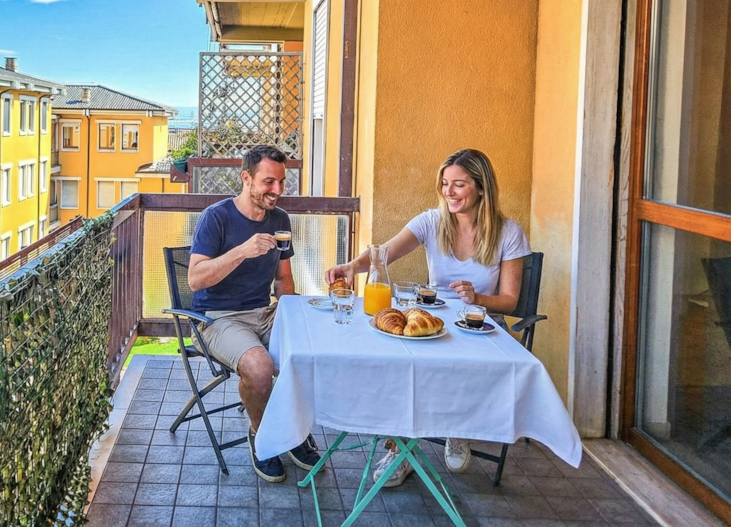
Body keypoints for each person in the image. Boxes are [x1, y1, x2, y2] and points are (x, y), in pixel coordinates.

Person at [325, 148, 530, 486]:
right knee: (399, 362)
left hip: (478, 325)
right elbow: (384, 253)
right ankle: (401, 448)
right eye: (445, 183)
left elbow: (508, 301)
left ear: (481, 188)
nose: (449, 192)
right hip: (432, 319)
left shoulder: (509, 233)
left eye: (459, 185)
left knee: (451, 363)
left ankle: (456, 426)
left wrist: (478, 298)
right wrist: (351, 267)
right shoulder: (432, 221)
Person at [189, 144, 321, 482]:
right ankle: (261, 434)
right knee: (260, 367)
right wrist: (241, 252)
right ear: (246, 178)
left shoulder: (280, 220)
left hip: (263, 311)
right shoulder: (217, 217)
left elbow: (284, 278)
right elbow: (195, 278)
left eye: (281, 182)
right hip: (217, 317)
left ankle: (293, 431)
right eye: (268, 182)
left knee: (310, 346)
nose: (277, 191)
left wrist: (289, 312)